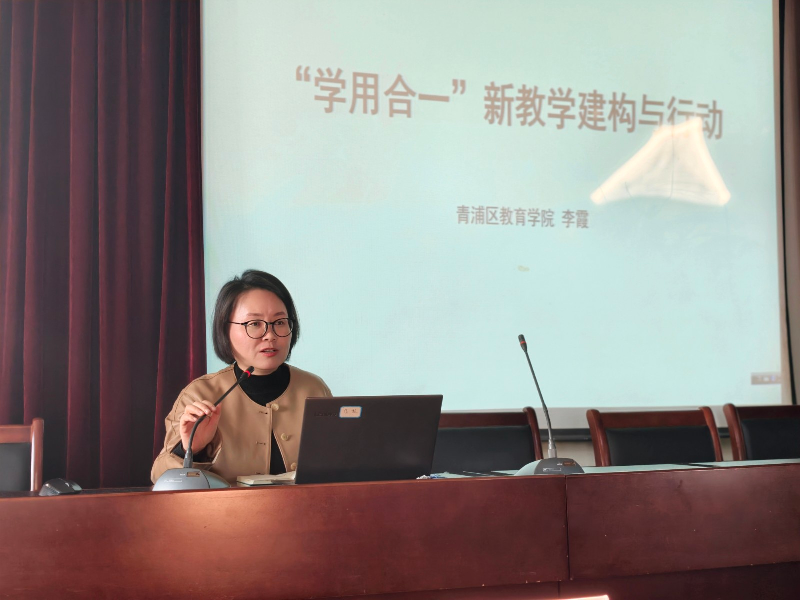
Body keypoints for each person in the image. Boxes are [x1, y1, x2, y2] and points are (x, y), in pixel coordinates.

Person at [151, 270, 331, 483]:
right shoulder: (201, 394)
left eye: (280, 322)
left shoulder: (313, 388)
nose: (270, 335)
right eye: (254, 324)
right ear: (225, 330)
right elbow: (160, 477)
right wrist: (192, 449)